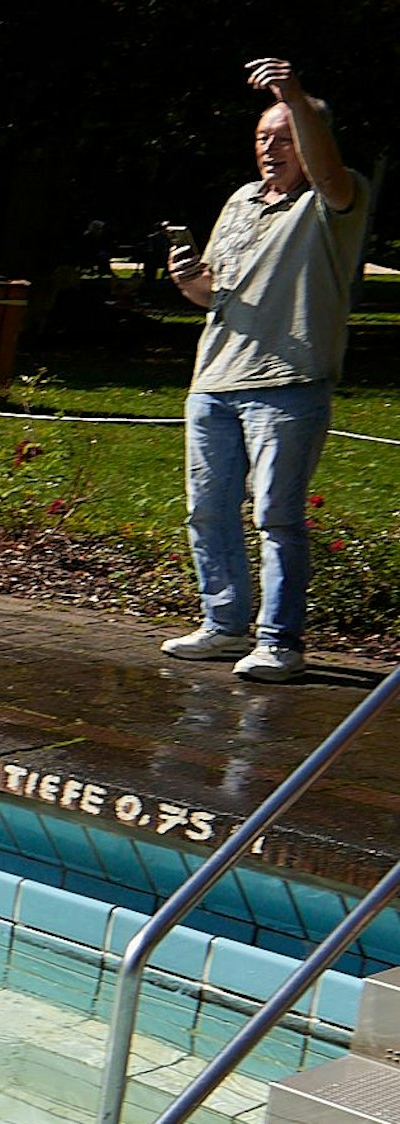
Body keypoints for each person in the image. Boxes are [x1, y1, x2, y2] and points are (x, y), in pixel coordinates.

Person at [160, 58, 369, 682]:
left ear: (310, 139)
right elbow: (216, 292)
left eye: (283, 136)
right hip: (214, 382)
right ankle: (224, 627)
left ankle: (281, 642)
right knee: (208, 511)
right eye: (261, 137)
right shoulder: (240, 201)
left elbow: (327, 169)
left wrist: (293, 95)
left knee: (276, 516)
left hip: (288, 384)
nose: (269, 148)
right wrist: (190, 282)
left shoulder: (337, 199)